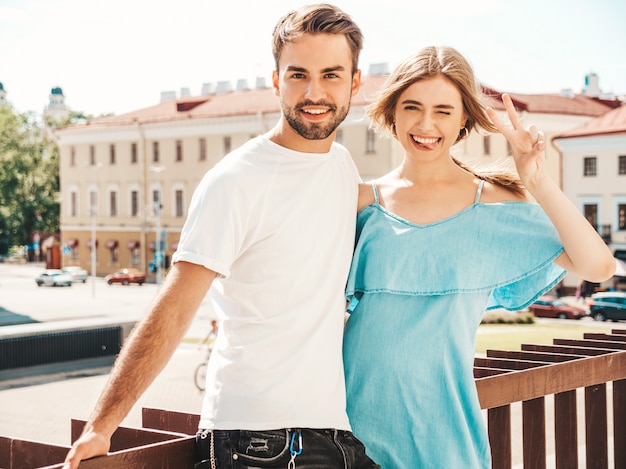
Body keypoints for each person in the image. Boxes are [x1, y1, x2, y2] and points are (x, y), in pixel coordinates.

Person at [64, 4, 379, 468]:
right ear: (275, 81)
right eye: (298, 75)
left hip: (332, 432)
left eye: (331, 75)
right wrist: (101, 426)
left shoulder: (341, 168)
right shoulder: (236, 180)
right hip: (255, 442)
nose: (315, 92)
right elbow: (173, 310)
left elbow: (405, 198)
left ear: (355, 82)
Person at [342, 45, 616, 469]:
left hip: (444, 431)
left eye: (443, 110)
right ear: (391, 111)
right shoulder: (361, 202)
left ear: (465, 118)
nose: (426, 124)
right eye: (412, 106)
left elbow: (598, 266)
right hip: (351, 426)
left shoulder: (493, 206)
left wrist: (537, 180)